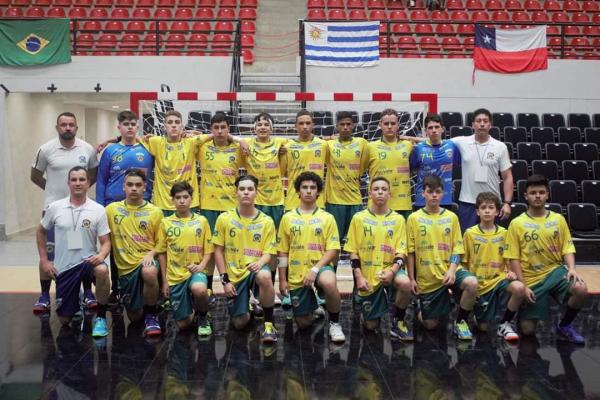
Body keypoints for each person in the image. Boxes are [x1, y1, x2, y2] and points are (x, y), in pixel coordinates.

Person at [504, 174, 588, 344]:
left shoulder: (558, 219)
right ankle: (522, 311)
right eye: (533, 193)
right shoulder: (517, 223)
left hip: (555, 272)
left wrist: (572, 268)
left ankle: (564, 326)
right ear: (526, 196)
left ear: (547, 194)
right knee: (528, 331)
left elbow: (567, 247)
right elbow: (513, 258)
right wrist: (524, 286)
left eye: (541, 192)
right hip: (531, 278)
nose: (537, 196)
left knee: (580, 288)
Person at [31, 112, 99, 313]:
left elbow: (92, 175)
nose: (67, 128)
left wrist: (77, 194)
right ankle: (45, 295)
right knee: (48, 254)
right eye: (63, 124)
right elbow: (35, 176)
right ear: (57, 127)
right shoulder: (45, 149)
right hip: (53, 211)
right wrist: (54, 195)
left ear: (76, 128)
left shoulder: (87, 149)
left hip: (77, 213)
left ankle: (87, 292)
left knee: (78, 253)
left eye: (71, 125)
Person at [35, 166, 111, 337]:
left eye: (82, 179)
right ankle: (75, 299)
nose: (78, 183)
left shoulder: (98, 209)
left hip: (88, 263)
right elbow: (40, 231)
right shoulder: (55, 207)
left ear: (88, 183)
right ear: (68, 183)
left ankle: (101, 318)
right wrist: (44, 260)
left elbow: (106, 242)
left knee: (102, 270)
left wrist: (101, 255)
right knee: (65, 320)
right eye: (74, 180)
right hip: (65, 267)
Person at [406, 175, 478, 340]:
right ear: (422, 193)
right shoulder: (413, 218)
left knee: (472, 283)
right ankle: (421, 307)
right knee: (430, 325)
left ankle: (461, 321)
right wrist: (411, 278)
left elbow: (457, 249)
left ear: (443, 194)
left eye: (438, 192)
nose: (434, 195)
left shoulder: (451, 217)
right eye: (430, 191)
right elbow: (410, 252)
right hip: (428, 276)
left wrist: (452, 270)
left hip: (450, 269)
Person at [277, 171, 345, 343]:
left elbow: (333, 249)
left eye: (313, 187)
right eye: (305, 187)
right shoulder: (287, 218)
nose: (308, 191)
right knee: (304, 324)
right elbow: (282, 251)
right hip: (297, 273)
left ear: (318, 192)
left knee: (329, 283)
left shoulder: (327, 218)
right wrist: (282, 280)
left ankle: (335, 324)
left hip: (320, 267)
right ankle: (314, 306)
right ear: (298, 192)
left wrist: (315, 269)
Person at [345, 177, 414, 340]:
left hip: (391, 269)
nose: (380, 192)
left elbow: (401, 252)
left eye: (384, 189)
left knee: (405, 283)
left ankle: (398, 321)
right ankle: (369, 308)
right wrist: (359, 276)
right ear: (369, 194)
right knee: (370, 326)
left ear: (390, 194)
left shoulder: (398, 219)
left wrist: (392, 271)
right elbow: (352, 251)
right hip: (368, 274)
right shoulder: (358, 218)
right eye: (376, 189)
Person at [96, 110, 154, 303]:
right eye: (126, 124)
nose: (130, 127)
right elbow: (101, 180)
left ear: (137, 126)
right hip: (114, 208)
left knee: (142, 246)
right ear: (119, 127)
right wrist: (100, 209)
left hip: (142, 208)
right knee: (116, 248)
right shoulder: (110, 151)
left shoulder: (147, 148)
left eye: (133, 124)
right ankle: (117, 288)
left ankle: (146, 286)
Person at [213, 175, 278, 343]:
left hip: (255, 268)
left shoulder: (266, 221)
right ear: (236, 192)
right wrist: (225, 281)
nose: (246, 192)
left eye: (250, 189)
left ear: (256, 192)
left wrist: (260, 263)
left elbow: (269, 253)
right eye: (242, 189)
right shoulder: (224, 219)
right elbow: (218, 251)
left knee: (265, 276)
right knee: (240, 323)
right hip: (234, 275)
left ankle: (269, 325)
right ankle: (249, 304)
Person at [105, 169, 163, 336]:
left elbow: (162, 243)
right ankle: (143, 302)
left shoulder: (155, 212)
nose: (134, 188)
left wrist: (151, 254)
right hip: (126, 270)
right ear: (123, 187)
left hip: (147, 262)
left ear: (145, 187)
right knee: (134, 317)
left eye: (138, 185)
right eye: (130, 184)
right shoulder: (111, 210)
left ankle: (151, 315)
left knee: (149, 272)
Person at [462, 192, 526, 341]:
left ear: (497, 212)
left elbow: (509, 258)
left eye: (491, 208)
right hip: (478, 283)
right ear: (477, 211)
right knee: (483, 328)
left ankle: (505, 323)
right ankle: (474, 312)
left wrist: (510, 271)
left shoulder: (505, 233)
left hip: (498, 280)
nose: (487, 211)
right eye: (483, 207)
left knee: (519, 288)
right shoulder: (469, 234)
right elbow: (463, 263)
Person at [157, 182, 214, 336]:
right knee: (184, 324)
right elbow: (162, 253)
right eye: (178, 197)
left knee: (199, 289)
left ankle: (203, 317)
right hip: (175, 276)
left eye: (185, 197)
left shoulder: (202, 221)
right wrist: (165, 281)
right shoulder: (165, 223)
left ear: (191, 199)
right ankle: (194, 306)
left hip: (196, 272)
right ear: (172, 200)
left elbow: (209, 250)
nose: (182, 201)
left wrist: (201, 266)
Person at [241, 112, 287, 302]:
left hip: (275, 202)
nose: (262, 127)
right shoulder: (246, 144)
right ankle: (252, 291)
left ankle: (271, 289)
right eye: (259, 124)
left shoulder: (281, 143)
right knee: (253, 246)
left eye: (266, 124)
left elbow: (304, 141)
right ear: (254, 128)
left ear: (272, 128)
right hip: (255, 203)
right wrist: (239, 141)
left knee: (274, 248)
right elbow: (226, 137)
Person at [198, 112, 244, 300]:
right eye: (215, 128)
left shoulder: (238, 149)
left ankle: (236, 286)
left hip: (231, 208)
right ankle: (209, 289)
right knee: (209, 249)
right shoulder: (202, 147)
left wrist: (238, 140)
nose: (219, 131)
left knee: (233, 248)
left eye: (223, 127)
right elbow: (186, 139)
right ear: (211, 130)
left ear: (228, 129)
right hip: (208, 206)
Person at [451, 108, 513, 232]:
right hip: (468, 203)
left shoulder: (500, 147)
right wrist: (410, 139)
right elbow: (436, 142)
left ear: (490, 125)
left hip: (492, 203)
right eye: (478, 121)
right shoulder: (461, 142)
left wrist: (507, 203)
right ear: (473, 124)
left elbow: (507, 177)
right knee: (467, 240)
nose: (482, 124)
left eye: (485, 121)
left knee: (492, 240)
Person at [325, 111, 369, 245]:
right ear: (337, 126)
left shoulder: (362, 143)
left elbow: (363, 168)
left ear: (353, 126)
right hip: (335, 201)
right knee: (333, 242)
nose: (345, 127)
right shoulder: (328, 145)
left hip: (355, 200)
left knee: (357, 243)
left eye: (348, 124)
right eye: (342, 124)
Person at [366, 109, 413, 220]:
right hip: (377, 206)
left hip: (403, 204)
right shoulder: (370, 147)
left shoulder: (408, 145)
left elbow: (431, 142)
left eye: (393, 123)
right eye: (386, 123)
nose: (390, 127)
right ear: (380, 125)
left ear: (398, 125)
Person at [410, 113, 461, 208]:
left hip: (445, 198)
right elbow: (412, 169)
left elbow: (457, 166)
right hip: (423, 200)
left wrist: (450, 181)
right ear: (426, 131)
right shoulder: (418, 149)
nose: (434, 130)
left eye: (437, 127)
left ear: (442, 129)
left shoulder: (451, 146)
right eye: (430, 128)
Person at [281, 110, 328, 211]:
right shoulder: (287, 147)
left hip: (318, 202)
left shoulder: (323, 145)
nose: (305, 126)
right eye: (301, 123)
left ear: (313, 125)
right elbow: (281, 172)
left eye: (308, 123)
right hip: (293, 202)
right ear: (295, 126)